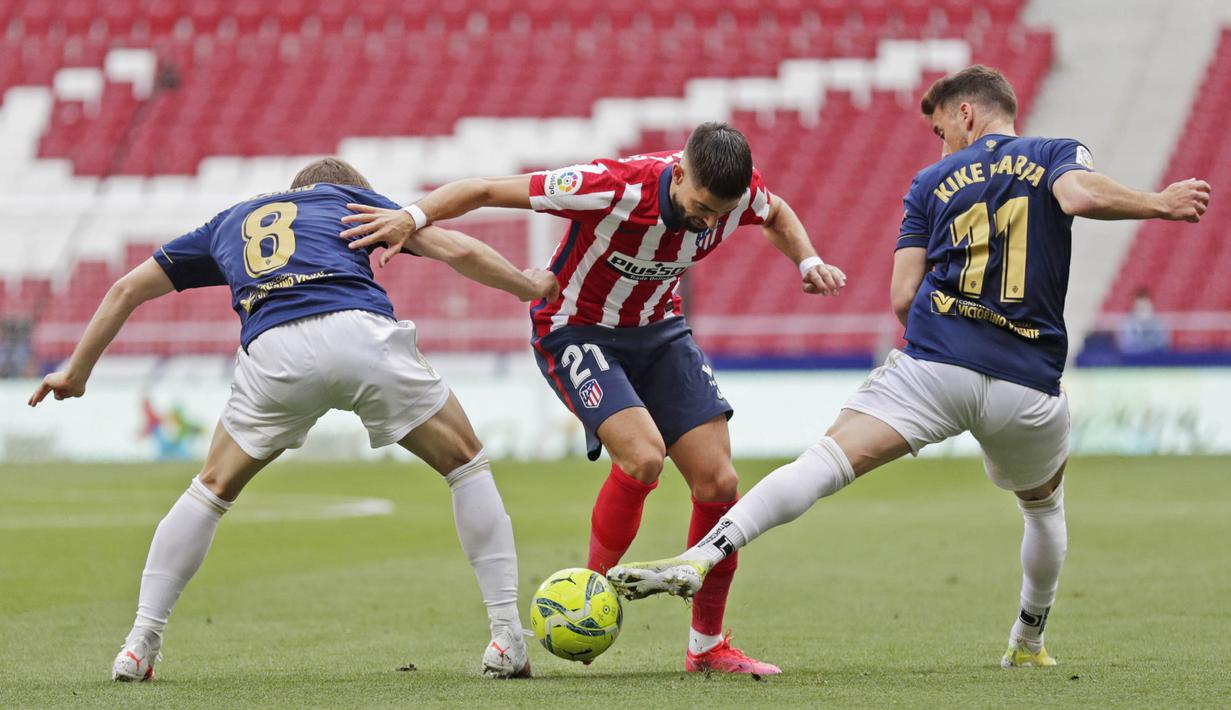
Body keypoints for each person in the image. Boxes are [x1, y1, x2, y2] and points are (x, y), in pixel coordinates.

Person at [606, 65, 1211, 670]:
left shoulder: (930, 181)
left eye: (941, 125)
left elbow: (902, 298)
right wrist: (1156, 203)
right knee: (1044, 508)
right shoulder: (1054, 152)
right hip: (1028, 384)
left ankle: (704, 555)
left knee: (821, 465)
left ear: (966, 113)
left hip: (936, 367)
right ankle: (1029, 640)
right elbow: (1078, 196)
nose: (940, 140)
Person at [340, 123, 847, 674]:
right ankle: (583, 596)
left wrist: (807, 260)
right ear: (679, 175)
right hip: (575, 328)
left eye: (718, 214)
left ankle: (706, 648)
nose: (708, 222)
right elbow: (485, 189)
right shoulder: (609, 186)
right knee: (643, 456)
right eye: (700, 207)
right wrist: (410, 218)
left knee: (719, 482)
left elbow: (776, 214)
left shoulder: (736, 193)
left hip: (660, 331)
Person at [28, 158, 560, 681]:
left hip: (274, 349)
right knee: (466, 463)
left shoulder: (228, 222)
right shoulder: (348, 202)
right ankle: (507, 636)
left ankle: (138, 644)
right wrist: (527, 286)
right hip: (359, 333)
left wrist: (75, 372)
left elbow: (126, 289)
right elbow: (458, 248)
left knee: (210, 490)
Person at [1117, 287, 1170, 354]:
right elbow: (1126, 344)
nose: (1142, 306)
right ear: (1134, 305)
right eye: (1139, 304)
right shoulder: (1127, 322)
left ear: (1150, 304)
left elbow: (1162, 343)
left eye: (1144, 303)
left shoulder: (1159, 322)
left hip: (1154, 358)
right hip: (1133, 358)